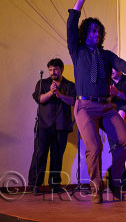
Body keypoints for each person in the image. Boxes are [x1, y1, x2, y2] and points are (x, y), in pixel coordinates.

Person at [67, 0, 126, 203]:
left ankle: (114, 180)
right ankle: (96, 186)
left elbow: (120, 63)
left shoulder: (106, 55)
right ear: (85, 33)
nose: (96, 35)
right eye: (92, 31)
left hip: (107, 107)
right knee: (94, 146)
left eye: (98, 32)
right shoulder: (77, 51)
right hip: (85, 107)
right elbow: (71, 25)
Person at [28, 58, 76, 194]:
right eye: (50, 69)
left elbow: (73, 101)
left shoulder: (70, 85)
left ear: (61, 69)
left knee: (57, 156)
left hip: (62, 126)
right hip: (44, 126)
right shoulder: (42, 83)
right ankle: (35, 184)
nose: (52, 72)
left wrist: (60, 95)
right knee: (39, 155)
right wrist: (50, 92)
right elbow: (39, 98)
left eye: (55, 69)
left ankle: (55, 185)